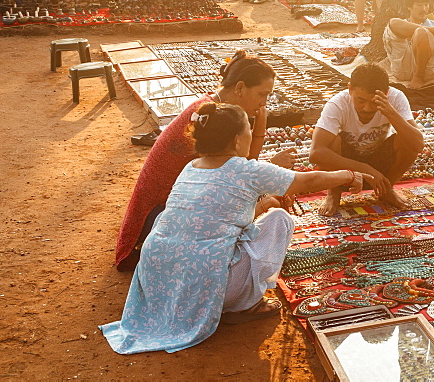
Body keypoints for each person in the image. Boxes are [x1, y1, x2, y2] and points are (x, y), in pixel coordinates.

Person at [101, 102, 371, 354]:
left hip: (161, 281)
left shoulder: (191, 167)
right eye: (249, 130)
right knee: (280, 220)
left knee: (229, 227)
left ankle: (225, 298)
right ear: (236, 140)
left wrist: (262, 204)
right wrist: (349, 174)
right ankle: (244, 304)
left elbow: (221, 217)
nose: (252, 134)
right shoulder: (246, 170)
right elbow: (308, 180)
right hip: (212, 286)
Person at [114, 51, 294, 271]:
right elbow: (237, 177)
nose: (264, 102)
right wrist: (266, 194)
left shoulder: (214, 109)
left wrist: (259, 124)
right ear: (239, 88)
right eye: (261, 94)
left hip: (164, 213)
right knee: (269, 208)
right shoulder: (213, 119)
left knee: (264, 203)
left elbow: (242, 165)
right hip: (158, 219)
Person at [310, 63, 424, 216]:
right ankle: (333, 194)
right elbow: (316, 153)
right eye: (361, 100)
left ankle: (386, 189)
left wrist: (391, 113)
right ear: (349, 89)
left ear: (386, 93)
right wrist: (366, 169)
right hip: (345, 170)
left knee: (407, 139)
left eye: (373, 102)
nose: (367, 108)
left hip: (380, 165)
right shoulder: (337, 104)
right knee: (332, 141)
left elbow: (418, 144)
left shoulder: (395, 98)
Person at [384, 0, 434, 89]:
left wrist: (430, 42)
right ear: (409, 6)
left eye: (426, 5)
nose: (424, 9)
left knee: (421, 33)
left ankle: (418, 77)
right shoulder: (402, 25)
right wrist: (432, 32)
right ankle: (430, 32)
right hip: (403, 70)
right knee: (392, 22)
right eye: (419, 5)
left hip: (426, 72)